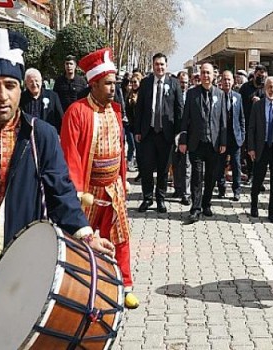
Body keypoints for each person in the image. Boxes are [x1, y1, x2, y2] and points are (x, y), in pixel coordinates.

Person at [0, 28, 115, 350]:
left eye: (10, 86)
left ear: (20, 90)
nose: (2, 96)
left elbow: (61, 195)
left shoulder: (40, 136)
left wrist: (86, 236)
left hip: (25, 271)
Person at [60, 48, 139, 309]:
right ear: (93, 84)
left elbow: (119, 149)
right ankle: (81, 288)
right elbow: (70, 156)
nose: (113, 89)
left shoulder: (114, 111)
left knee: (120, 236)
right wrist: (77, 192)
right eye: (108, 84)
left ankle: (124, 284)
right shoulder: (77, 112)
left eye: (115, 83)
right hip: (88, 190)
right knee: (83, 240)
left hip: (113, 188)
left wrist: (122, 180)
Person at [135, 53, 184, 214]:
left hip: (166, 134)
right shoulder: (145, 83)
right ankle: (147, 198)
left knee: (163, 169)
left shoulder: (174, 84)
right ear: (153, 66)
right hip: (148, 133)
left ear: (166, 66)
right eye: (157, 64)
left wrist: (179, 134)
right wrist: (137, 130)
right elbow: (139, 109)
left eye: (162, 64)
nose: (159, 67)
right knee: (147, 168)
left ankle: (160, 199)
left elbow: (179, 111)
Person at [178, 63, 227, 224]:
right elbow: (185, 119)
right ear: (200, 75)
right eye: (203, 73)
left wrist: (223, 141)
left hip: (213, 143)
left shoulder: (220, 94)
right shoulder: (192, 94)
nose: (206, 76)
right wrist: (183, 140)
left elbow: (222, 120)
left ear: (214, 76)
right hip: (196, 143)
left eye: (208, 73)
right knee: (196, 177)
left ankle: (207, 203)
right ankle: (196, 208)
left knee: (211, 176)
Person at [248, 76, 273, 224]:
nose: (272, 90)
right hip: (261, 147)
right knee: (258, 179)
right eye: (269, 87)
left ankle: (272, 212)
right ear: (265, 89)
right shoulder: (257, 106)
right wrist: (251, 148)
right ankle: (254, 205)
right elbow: (251, 128)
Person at [216, 70, 246, 201]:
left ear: (233, 82)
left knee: (236, 165)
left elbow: (241, 118)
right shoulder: (216, 96)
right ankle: (221, 189)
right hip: (221, 137)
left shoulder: (237, 97)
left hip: (235, 138)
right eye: (224, 79)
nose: (227, 82)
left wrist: (242, 135)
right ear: (220, 81)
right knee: (220, 165)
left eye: (229, 79)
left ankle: (237, 190)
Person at [20, 68, 64, 133]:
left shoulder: (52, 96)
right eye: (31, 81)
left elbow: (60, 118)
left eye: (36, 81)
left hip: (48, 135)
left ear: (41, 81)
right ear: (26, 83)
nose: (34, 84)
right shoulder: (21, 98)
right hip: (28, 137)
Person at [171, 70, 192, 205]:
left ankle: (186, 193)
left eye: (185, 82)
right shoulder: (172, 95)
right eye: (181, 82)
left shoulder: (191, 95)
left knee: (186, 164)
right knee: (176, 163)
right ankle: (178, 188)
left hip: (187, 135)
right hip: (173, 133)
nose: (183, 85)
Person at [124, 72, 142, 172]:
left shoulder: (143, 93)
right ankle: (138, 168)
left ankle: (142, 169)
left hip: (142, 127)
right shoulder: (129, 95)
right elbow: (128, 110)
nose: (133, 84)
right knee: (135, 147)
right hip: (132, 126)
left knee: (141, 150)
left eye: (135, 82)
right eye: (132, 82)